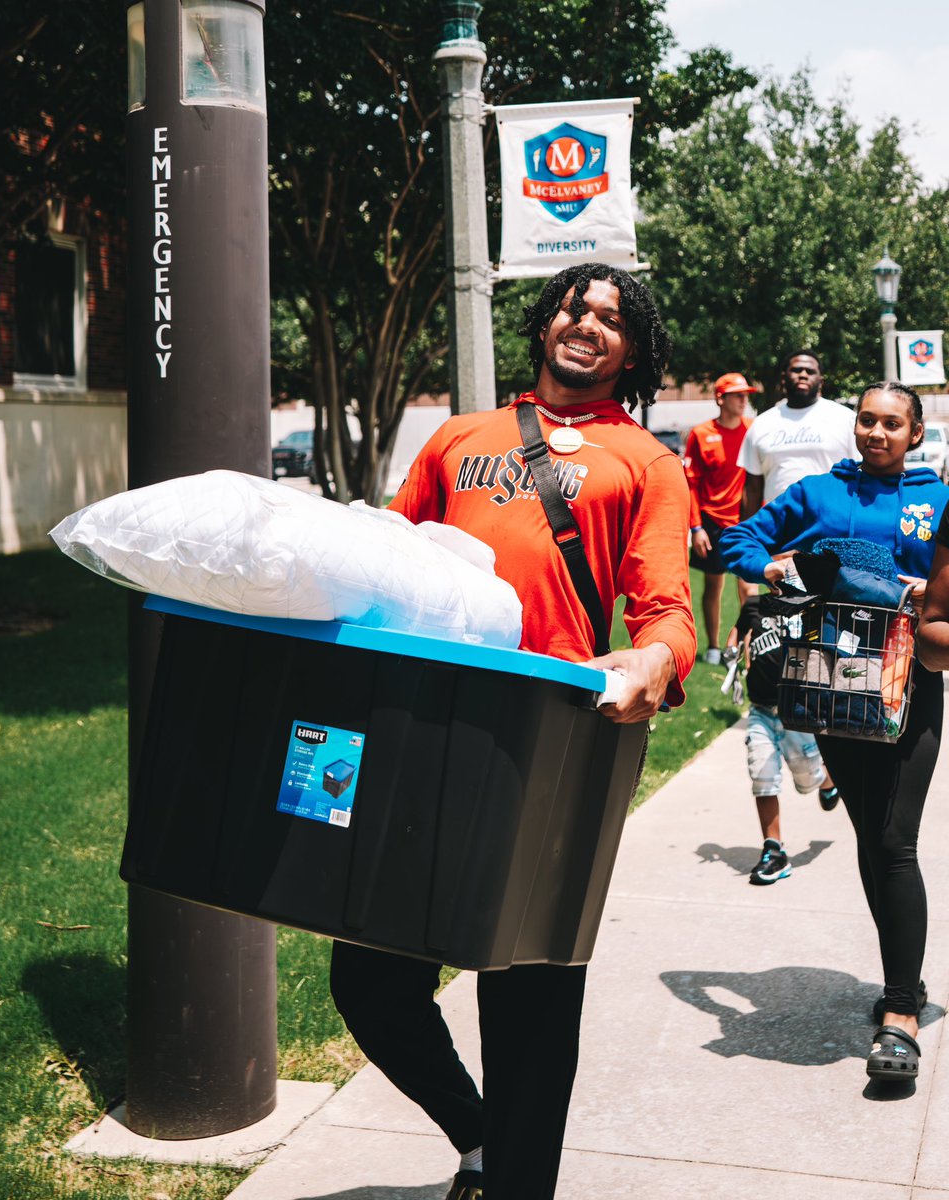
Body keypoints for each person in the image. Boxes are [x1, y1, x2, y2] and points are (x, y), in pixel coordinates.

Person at [328, 263, 697, 1200]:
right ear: (545, 322)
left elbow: (667, 613)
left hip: (549, 750)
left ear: (634, 351)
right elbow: (388, 556)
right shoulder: (460, 437)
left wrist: (653, 665)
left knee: (528, 1008)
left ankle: (519, 1180)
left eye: (614, 320)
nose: (590, 325)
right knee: (371, 984)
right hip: (427, 734)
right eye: (577, 306)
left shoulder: (646, 463)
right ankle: (479, 1134)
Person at [720, 380, 949, 1083]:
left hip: (910, 683)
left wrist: (918, 591)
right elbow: (737, 538)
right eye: (868, 421)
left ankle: (901, 1011)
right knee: (869, 838)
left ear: (914, 433)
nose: (877, 434)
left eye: (892, 424)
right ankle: (898, 980)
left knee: (894, 839)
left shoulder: (936, 498)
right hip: (832, 687)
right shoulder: (819, 493)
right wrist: (776, 565)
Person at [724, 594, 839, 885]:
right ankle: (773, 850)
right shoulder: (754, 604)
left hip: (796, 711)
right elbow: (739, 629)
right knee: (762, 774)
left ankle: (828, 780)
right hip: (760, 708)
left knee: (807, 780)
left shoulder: (811, 604)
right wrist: (731, 649)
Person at [685, 371, 756, 663]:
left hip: (746, 520)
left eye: (745, 395)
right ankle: (714, 647)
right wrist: (696, 527)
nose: (743, 400)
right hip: (712, 523)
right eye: (737, 395)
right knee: (714, 586)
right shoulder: (701, 434)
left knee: (749, 586)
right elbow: (690, 483)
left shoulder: (753, 430)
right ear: (720, 398)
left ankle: (744, 648)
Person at [739, 350, 858, 518]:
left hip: (833, 523)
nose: (803, 375)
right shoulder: (762, 424)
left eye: (810, 371)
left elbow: (862, 476)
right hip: (779, 527)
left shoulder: (846, 419)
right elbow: (752, 488)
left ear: (821, 381)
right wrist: (745, 536)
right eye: (796, 370)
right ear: (783, 378)